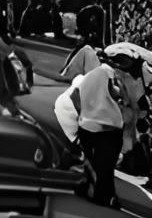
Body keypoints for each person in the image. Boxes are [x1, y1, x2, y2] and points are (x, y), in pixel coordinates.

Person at [56, 45, 145, 207]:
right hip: (97, 127)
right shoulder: (108, 77)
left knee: (99, 163)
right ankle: (99, 191)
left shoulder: (103, 76)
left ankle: (98, 190)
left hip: (91, 125)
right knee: (101, 164)